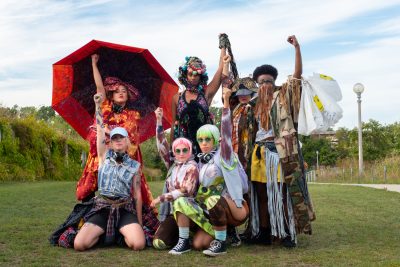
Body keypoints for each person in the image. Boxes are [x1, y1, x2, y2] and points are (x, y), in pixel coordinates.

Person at [75, 55, 158, 235]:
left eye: (124, 91)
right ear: (111, 94)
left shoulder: (133, 114)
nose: (121, 93)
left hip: (124, 155)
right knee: (93, 184)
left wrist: (107, 132)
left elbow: (130, 138)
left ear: (128, 96)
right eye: (118, 90)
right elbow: (99, 88)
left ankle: (129, 220)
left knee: (128, 188)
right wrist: (93, 64)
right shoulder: (104, 106)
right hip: (101, 154)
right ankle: (89, 220)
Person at [248, 35, 314, 248]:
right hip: (259, 153)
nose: (265, 84)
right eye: (261, 82)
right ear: (256, 84)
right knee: (261, 194)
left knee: (283, 194)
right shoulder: (253, 105)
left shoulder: (283, 96)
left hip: (278, 153)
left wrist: (297, 48)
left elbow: (296, 76)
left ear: (274, 82)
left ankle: (287, 233)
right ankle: (264, 232)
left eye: (268, 81)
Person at [168, 87, 249, 256]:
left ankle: (221, 242)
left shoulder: (224, 155)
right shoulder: (199, 161)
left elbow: (226, 131)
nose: (204, 143)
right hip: (209, 211)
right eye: (200, 140)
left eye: (208, 139)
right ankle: (185, 241)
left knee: (213, 199)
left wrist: (226, 103)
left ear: (215, 139)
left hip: (232, 206)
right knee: (198, 243)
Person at [74, 93, 145, 251]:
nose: (118, 140)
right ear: (110, 142)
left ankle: (119, 233)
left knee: (138, 244)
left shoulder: (135, 165)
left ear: (127, 141)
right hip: (103, 207)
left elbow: (137, 195)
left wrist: (139, 223)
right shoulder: (103, 156)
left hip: (125, 207)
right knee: (79, 245)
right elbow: (99, 130)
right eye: (114, 138)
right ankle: (105, 232)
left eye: (121, 138)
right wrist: (98, 107)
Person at [151, 107, 199, 250]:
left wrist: (160, 198)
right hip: (174, 213)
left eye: (185, 150)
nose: (181, 153)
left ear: (190, 151)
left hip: (192, 212)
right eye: (178, 150)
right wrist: (159, 120)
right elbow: (162, 146)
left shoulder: (193, 167)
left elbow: (185, 190)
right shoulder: (173, 166)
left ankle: (186, 238)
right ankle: (179, 235)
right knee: (158, 243)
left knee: (182, 201)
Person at [171, 35, 229, 155]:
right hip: (184, 149)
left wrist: (223, 47)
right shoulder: (177, 98)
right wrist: (172, 151)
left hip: (205, 146)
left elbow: (220, 69)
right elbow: (174, 125)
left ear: (201, 76)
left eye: (196, 74)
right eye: (190, 73)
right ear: (185, 75)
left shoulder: (206, 95)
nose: (192, 77)